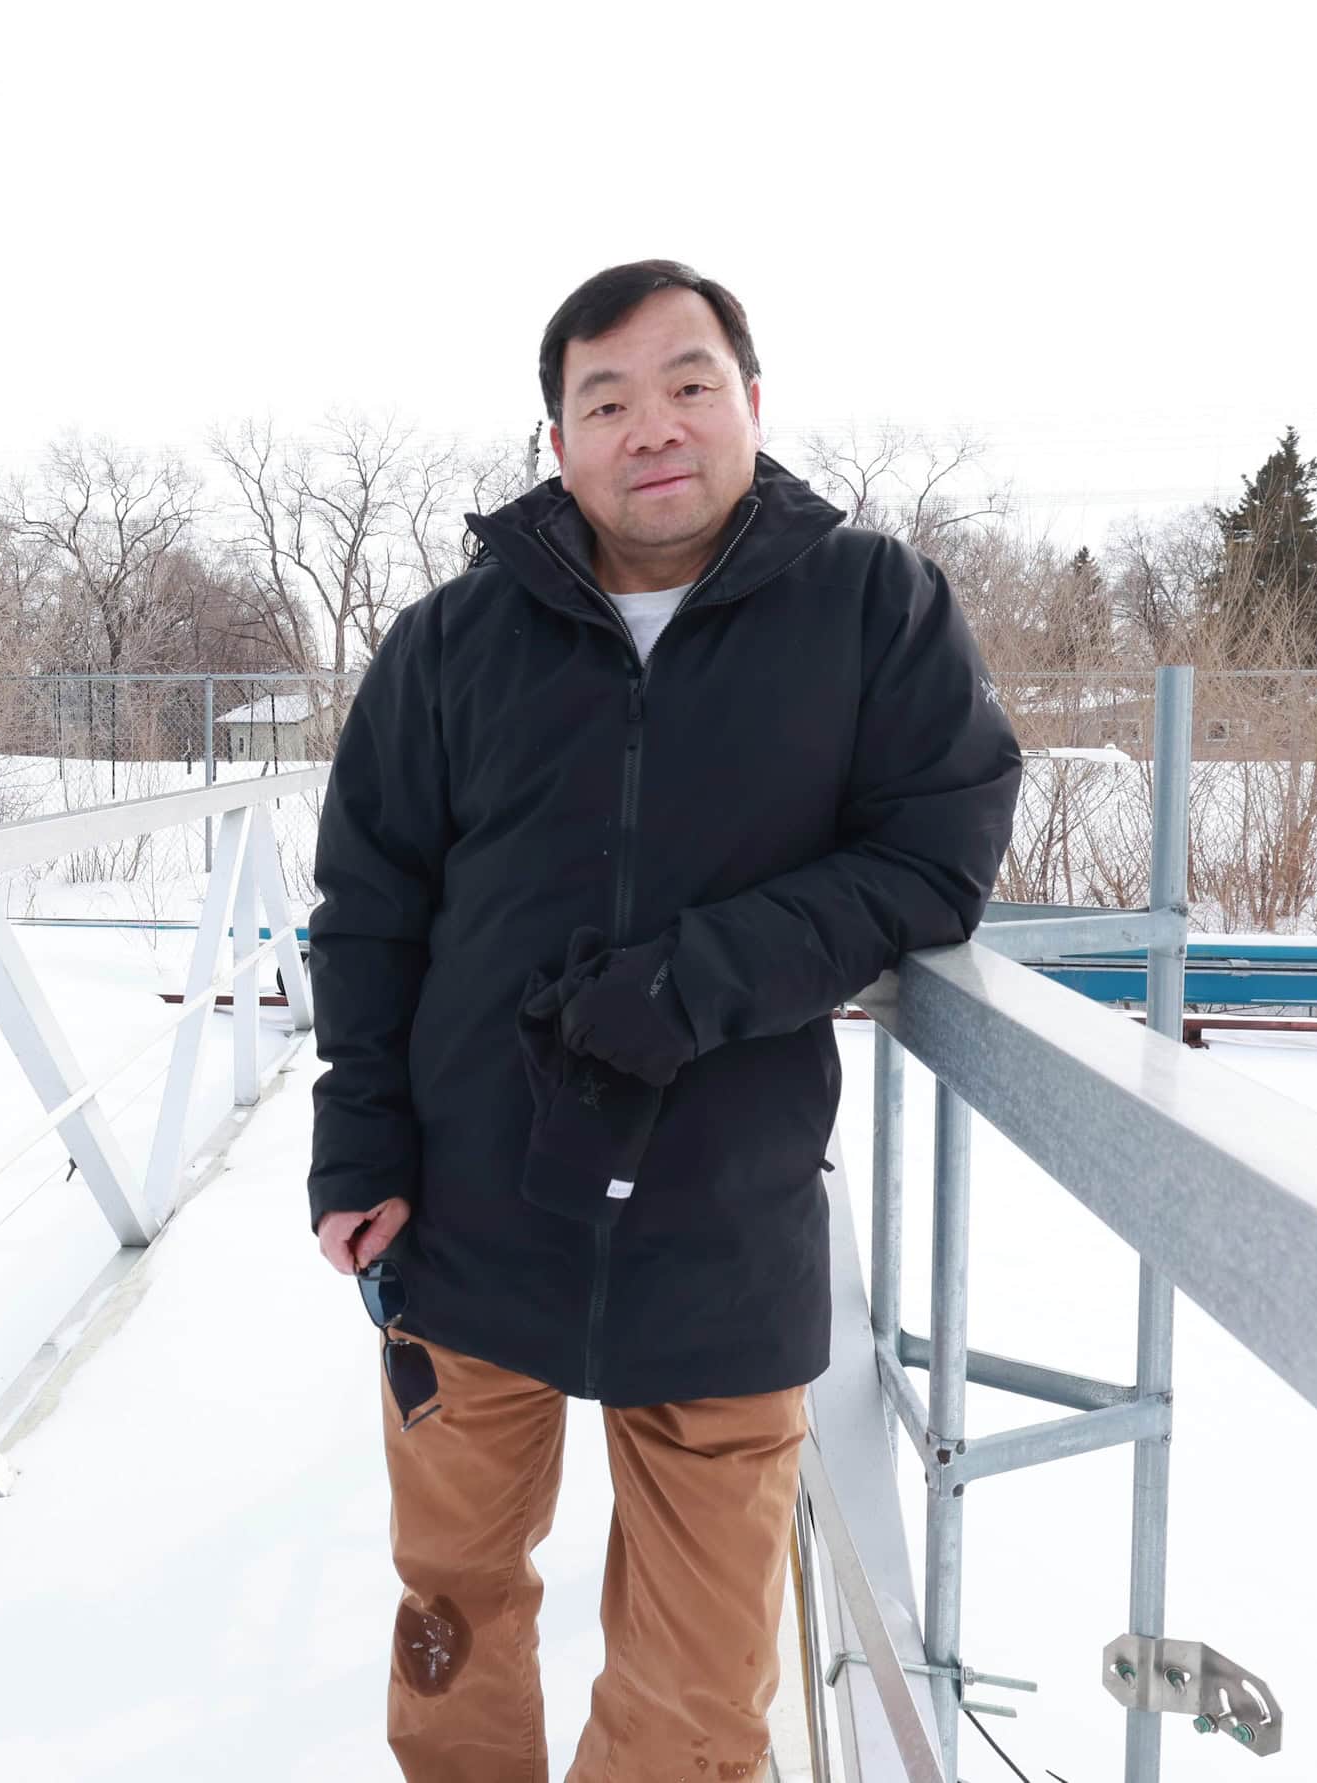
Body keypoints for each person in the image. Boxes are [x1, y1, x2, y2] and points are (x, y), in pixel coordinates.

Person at [307, 259, 1023, 1783]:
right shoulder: (450, 643)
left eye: (689, 386)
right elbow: (369, 909)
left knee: (698, 1696)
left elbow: (932, 855)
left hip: (721, 1209)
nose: (653, 428)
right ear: (557, 440)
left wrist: (696, 980)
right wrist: (355, 1140)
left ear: (751, 405)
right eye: (606, 400)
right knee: (452, 1600)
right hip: (467, 1208)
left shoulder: (872, 608)